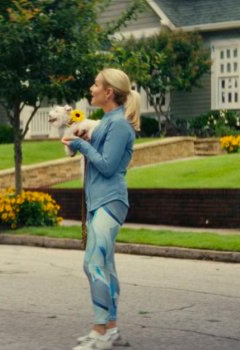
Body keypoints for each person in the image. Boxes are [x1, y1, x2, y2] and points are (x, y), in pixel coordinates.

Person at [62, 68, 140, 350]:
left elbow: (107, 166)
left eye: (96, 85)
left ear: (109, 92)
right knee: (105, 265)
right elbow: (99, 157)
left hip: (110, 201)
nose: (91, 89)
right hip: (98, 202)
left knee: (93, 263)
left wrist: (82, 145)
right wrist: (83, 141)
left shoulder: (119, 124)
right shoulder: (108, 121)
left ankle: (99, 332)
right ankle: (111, 330)